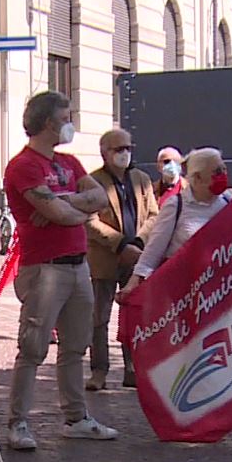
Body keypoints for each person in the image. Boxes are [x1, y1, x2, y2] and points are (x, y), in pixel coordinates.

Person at [2, 92, 119, 451]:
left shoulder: (69, 162)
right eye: (67, 116)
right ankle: (17, 422)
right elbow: (65, 215)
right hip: (45, 269)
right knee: (33, 348)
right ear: (49, 122)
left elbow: (99, 199)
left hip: (77, 264)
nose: (71, 122)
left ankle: (76, 417)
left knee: (75, 346)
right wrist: (71, 207)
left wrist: (64, 202)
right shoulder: (24, 166)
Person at [85, 128, 158, 391]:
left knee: (134, 316)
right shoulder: (91, 181)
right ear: (105, 152)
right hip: (105, 259)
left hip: (136, 257)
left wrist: (138, 242)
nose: (125, 153)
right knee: (98, 318)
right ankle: (99, 371)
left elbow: (153, 215)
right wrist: (120, 243)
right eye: (119, 149)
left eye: (128, 147)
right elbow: (89, 222)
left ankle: (132, 368)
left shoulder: (142, 179)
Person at [120, 148, 232, 296]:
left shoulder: (227, 200)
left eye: (224, 169)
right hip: (185, 291)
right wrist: (134, 282)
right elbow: (154, 249)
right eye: (217, 172)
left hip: (220, 287)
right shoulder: (176, 206)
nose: (223, 175)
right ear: (198, 177)